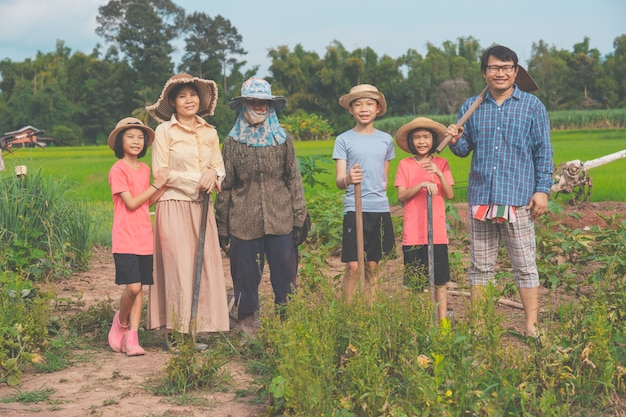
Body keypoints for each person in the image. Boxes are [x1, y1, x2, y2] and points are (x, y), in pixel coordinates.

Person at [446, 45, 553, 338]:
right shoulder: (472, 106)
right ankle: (480, 326)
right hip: (482, 197)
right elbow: (464, 149)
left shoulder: (532, 106)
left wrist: (542, 190)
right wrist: (455, 139)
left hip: (518, 198)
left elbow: (543, 151)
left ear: (516, 71)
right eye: (494, 68)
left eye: (507, 67)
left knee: (525, 265)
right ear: (485, 72)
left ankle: (531, 325)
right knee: (480, 267)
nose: (500, 73)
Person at [215, 78, 309, 338]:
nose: (259, 107)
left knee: (285, 274)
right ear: (243, 105)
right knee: (245, 275)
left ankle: (286, 324)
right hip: (243, 222)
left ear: (271, 106)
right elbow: (226, 185)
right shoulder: (232, 143)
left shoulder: (282, 140)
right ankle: (247, 323)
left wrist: (300, 216)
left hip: (281, 218)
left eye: (264, 103)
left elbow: (293, 178)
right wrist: (221, 225)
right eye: (253, 102)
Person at [145, 73, 230, 347]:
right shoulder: (164, 132)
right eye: (182, 96)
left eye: (192, 94)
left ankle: (196, 328)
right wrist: (199, 180)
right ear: (173, 101)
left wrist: (213, 175)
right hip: (173, 205)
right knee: (177, 266)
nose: (189, 100)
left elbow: (219, 167)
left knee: (202, 265)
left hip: (202, 206)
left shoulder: (210, 131)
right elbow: (162, 172)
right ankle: (175, 332)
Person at [107, 117, 168, 356]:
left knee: (140, 288)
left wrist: (162, 186)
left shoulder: (144, 169)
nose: (136, 141)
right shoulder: (118, 169)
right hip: (124, 237)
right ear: (120, 141)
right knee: (132, 288)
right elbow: (132, 203)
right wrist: (156, 186)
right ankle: (120, 323)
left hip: (144, 236)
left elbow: (148, 201)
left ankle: (132, 337)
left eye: (140, 137)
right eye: (130, 136)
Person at [333, 84, 396, 302]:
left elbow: (384, 179)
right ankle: (348, 311)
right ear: (350, 110)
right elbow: (339, 180)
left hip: (378, 207)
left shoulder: (386, 139)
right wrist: (349, 179)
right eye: (357, 104)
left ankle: (370, 311)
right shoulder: (343, 140)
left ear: (378, 108)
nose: (364, 108)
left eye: (369, 103)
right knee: (352, 266)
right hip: (354, 207)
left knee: (372, 265)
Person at [394, 117, 454, 321]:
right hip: (414, 234)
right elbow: (401, 196)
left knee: (440, 281)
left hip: (436, 233)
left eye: (426, 137)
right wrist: (420, 186)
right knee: (415, 283)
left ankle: (443, 323)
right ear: (411, 141)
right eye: (417, 137)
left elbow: (450, 194)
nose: (422, 141)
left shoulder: (441, 163)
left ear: (433, 140)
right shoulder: (405, 165)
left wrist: (438, 174)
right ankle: (420, 322)